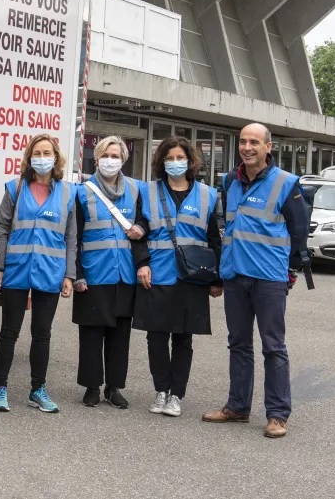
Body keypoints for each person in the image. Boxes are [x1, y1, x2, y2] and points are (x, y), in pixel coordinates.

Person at [203, 123, 308, 439]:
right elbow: (227, 227)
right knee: (238, 344)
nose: (247, 147)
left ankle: (277, 415)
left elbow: (299, 231)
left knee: (273, 347)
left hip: (268, 279)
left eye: (254, 142)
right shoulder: (229, 180)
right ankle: (237, 407)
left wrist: (288, 272)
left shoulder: (286, 183)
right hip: (235, 275)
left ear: (268, 147)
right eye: (243, 142)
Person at [134, 136, 222, 418]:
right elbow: (138, 233)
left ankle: (177, 395)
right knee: (156, 337)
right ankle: (161, 390)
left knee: (184, 339)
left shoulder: (208, 194)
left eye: (180, 158)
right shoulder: (147, 192)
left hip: (192, 278)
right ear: (161, 162)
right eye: (169, 159)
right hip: (157, 274)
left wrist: (216, 279)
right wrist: (142, 263)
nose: (175, 163)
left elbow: (214, 239)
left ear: (190, 161)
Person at [0, 134, 78, 414]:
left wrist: (69, 275)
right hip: (16, 271)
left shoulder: (68, 192)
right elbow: (0, 227)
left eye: (47, 152)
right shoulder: (15, 188)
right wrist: (0, 266)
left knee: (42, 334)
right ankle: (0, 388)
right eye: (37, 153)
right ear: (29, 158)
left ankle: (37, 390)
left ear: (56, 158)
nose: (42, 157)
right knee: (9, 333)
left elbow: (72, 237)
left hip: (50, 273)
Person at [74, 135, 148, 409]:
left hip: (125, 273)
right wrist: (77, 273)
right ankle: (92, 386)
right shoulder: (83, 191)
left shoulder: (136, 188)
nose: (110, 160)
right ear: (97, 158)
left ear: (123, 160)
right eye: (106, 154)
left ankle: (114, 387)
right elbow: (75, 237)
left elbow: (144, 220)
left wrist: (141, 227)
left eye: (116, 155)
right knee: (92, 333)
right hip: (93, 273)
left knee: (120, 335)